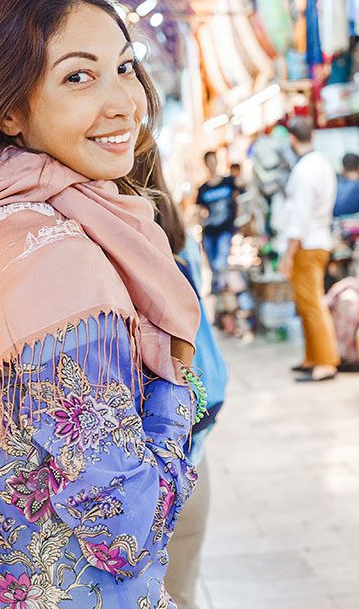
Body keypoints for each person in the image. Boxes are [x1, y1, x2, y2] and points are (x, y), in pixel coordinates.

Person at [0, 0, 201, 607]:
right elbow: (126, 528)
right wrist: (175, 392)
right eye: (78, 77)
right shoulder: (62, 262)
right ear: (8, 108)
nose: (124, 103)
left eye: (124, 68)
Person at [131, 148, 228, 609]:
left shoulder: (127, 242)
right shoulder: (175, 235)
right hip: (193, 432)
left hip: (160, 439)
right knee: (181, 591)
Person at [280, 116, 341, 382]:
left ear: (292, 139)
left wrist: (288, 255)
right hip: (318, 240)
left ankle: (325, 362)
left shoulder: (304, 170)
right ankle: (313, 357)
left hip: (306, 244)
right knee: (307, 305)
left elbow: (300, 218)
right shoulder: (321, 164)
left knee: (312, 304)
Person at [196, 150, 239, 292]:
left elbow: (239, 198)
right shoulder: (203, 189)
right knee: (213, 265)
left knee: (221, 262)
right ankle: (219, 294)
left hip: (225, 229)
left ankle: (221, 290)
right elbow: (200, 211)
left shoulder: (228, 182)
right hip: (209, 231)